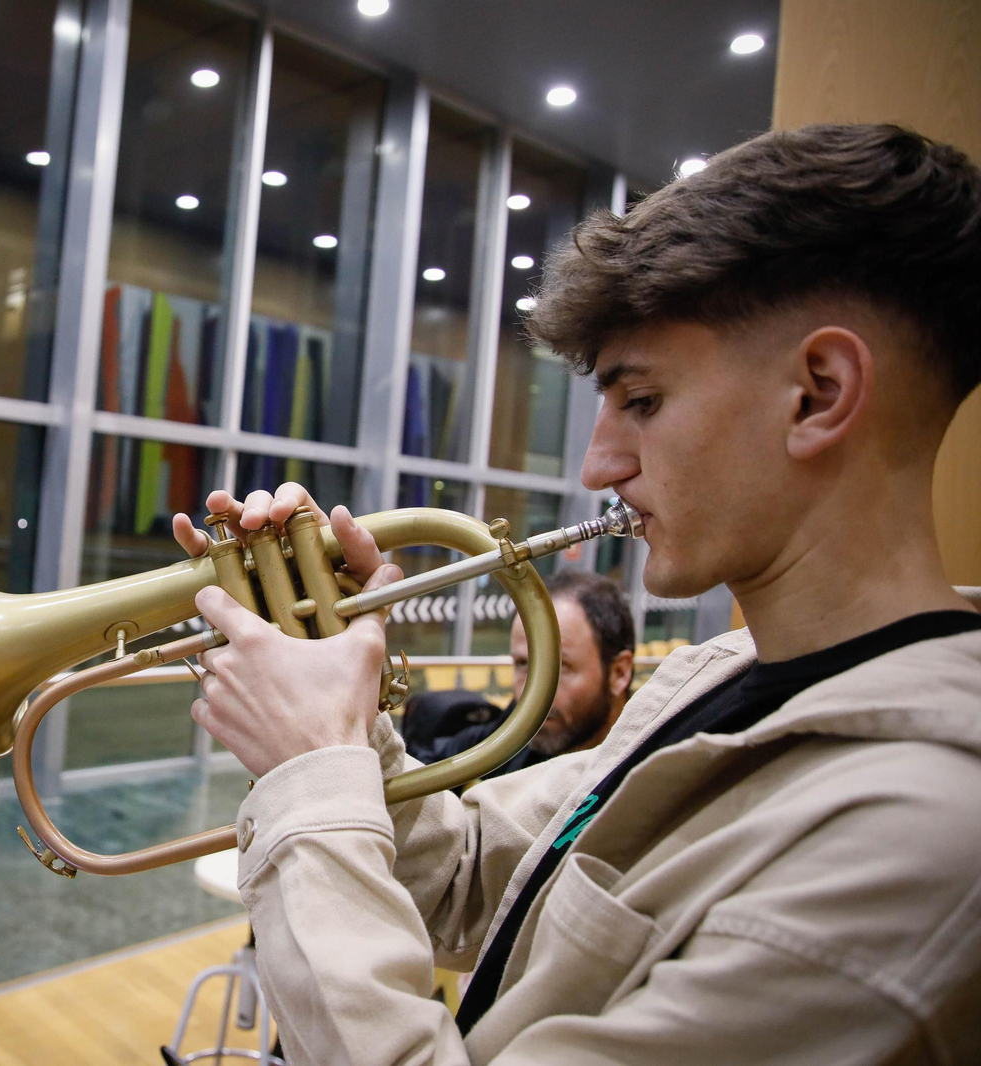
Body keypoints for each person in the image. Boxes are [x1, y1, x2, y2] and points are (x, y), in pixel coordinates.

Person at [171, 124, 981, 1062]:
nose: (599, 464)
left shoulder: (914, 833)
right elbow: (468, 881)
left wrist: (308, 773)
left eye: (641, 401)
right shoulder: (721, 675)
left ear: (819, 391)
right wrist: (341, 707)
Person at [404, 571, 634, 777]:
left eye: (558, 667)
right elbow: (437, 761)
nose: (531, 690)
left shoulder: (646, 772)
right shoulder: (528, 721)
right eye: (523, 664)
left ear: (619, 673)